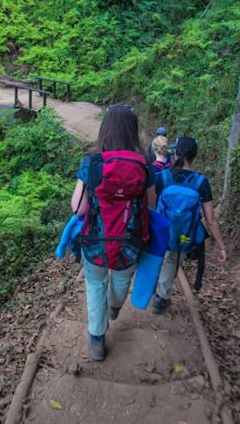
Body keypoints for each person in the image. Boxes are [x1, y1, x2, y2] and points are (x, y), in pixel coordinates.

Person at [70, 105, 156, 361]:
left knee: (96, 284)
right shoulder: (145, 165)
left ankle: (97, 339)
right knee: (120, 281)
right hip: (128, 244)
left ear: (104, 129)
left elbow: (78, 208)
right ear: (133, 131)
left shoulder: (92, 162)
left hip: (95, 242)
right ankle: (114, 308)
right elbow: (151, 207)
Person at [151, 136, 228, 315]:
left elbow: (152, 207)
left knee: (159, 257)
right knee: (172, 260)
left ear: (175, 152)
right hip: (183, 234)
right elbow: (210, 220)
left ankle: (153, 288)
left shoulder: (161, 177)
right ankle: (160, 298)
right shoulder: (201, 182)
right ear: (194, 156)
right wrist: (221, 246)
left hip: (160, 231)